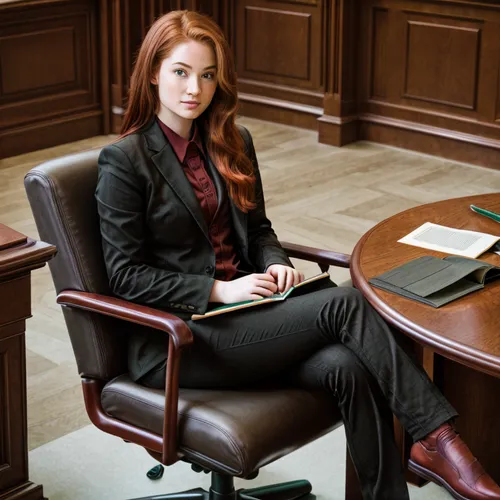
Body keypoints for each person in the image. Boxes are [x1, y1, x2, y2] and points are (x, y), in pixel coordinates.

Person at [95, 10, 500, 500]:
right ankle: (438, 438)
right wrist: (219, 289)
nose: (193, 89)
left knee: (347, 367)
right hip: (180, 341)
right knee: (347, 302)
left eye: (206, 75)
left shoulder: (232, 141)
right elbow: (125, 276)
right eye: (180, 72)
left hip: (247, 316)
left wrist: (274, 263)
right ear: (154, 72)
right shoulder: (125, 161)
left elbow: (258, 228)